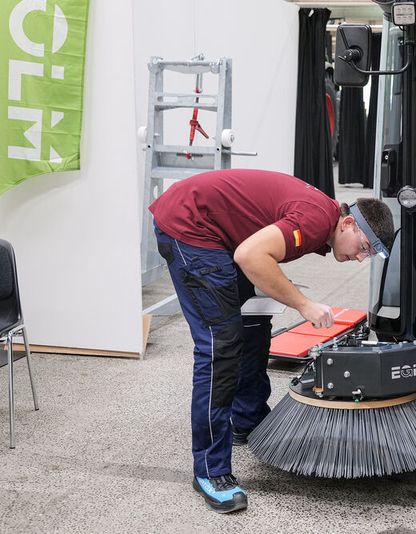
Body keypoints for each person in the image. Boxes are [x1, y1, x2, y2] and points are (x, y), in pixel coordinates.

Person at [149, 169, 394, 514]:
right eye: (364, 248)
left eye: (368, 256)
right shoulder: (314, 220)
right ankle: (210, 470)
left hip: (220, 235)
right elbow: (250, 256)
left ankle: (248, 421)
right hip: (191, 227)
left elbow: (257, 249)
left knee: (254, 324)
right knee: (221, 346)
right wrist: (303, 303)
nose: (358, 258)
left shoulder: (322, 222)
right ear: (349, 223)